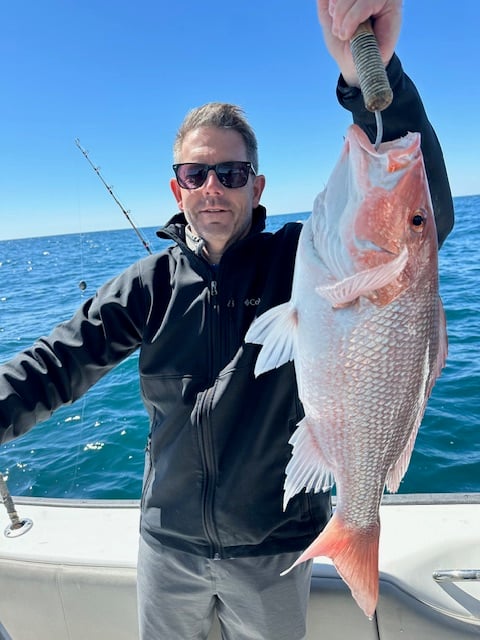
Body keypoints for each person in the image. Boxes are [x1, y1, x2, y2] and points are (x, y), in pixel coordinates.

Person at [0, 1, 454, 638]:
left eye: (231, 172)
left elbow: (423, 222)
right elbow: (53, 364)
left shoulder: (300, 261)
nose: (213, 186)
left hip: (274, 550)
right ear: (177, 189)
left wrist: (370, 79)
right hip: (168, 549)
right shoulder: (150, 286)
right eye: (196, 173)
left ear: (257, 186)